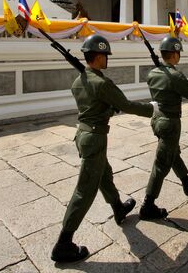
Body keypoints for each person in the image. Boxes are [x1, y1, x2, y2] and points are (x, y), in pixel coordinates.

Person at [51, 34, 157, 263]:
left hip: (84, 134)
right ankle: (63, 243)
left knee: (103, 175)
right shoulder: (101, 83)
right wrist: (152, 109)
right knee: (84, 191)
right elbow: (127, 105)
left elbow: (93, 108)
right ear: (98, 57)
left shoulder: (79, 81)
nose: (107, 59)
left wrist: (108, 110)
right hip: (95, 138)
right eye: (105, 55)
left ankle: (118, 207)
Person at [140, 36, 188, 220]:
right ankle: (148, 205)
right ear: (174, 54)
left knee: (172, 152)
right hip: (170, 122)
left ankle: (185, 180)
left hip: (156, 120)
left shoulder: (152, 74)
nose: (179, 56)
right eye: (178, 53)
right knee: (161, 164)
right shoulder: (175, 76)